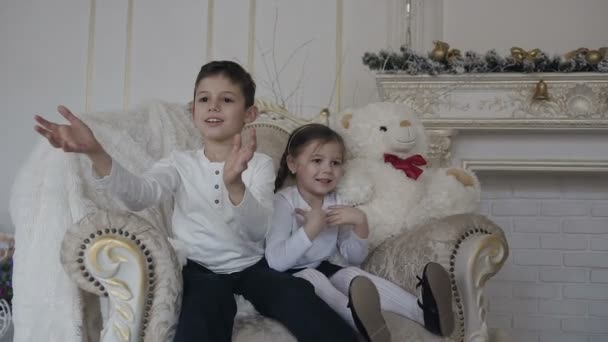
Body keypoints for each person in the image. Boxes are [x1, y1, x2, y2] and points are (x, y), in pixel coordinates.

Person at [33, 61, 361, 342]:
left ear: (249, 113)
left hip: (251, 265)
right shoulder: (179, 163)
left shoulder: (258, 163)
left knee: (296, 295)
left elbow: (257, 228)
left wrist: (234, 183)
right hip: (201, 268)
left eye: (226, 99)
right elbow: (138, 195)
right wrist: (95, 151)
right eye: (204, 99)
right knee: (205, 307)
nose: (213, 106)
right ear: (193, 112)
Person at [266, 123, 455, 342]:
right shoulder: (283, 202)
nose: (327, 169)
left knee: (351, 275)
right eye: (317, 161)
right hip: (290, 275)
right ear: (293, 163)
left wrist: (360, 223)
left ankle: (424, 313)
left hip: (325, 267)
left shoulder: (337, 202)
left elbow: (353, 259)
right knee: (313, 276)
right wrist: (310, 229)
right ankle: (358, 320)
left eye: (335, 163)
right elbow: (275, 262)